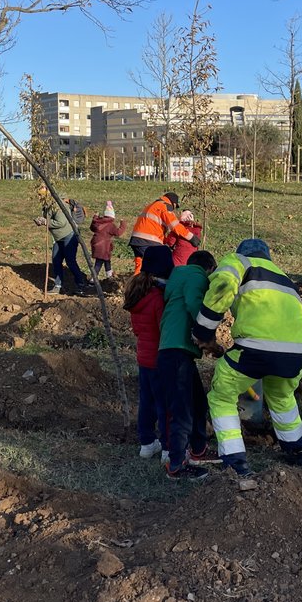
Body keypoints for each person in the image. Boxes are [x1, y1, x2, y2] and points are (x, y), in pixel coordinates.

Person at [193, 239, 302, 476]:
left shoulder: (239, 261)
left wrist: (203, 331)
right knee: (281, 395)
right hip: (298, 350)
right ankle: (301, 451)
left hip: (257, 346)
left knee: (222, 394)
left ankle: (235, 461)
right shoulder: (284, 278)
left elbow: (223, 287)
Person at [158, 250, 220, 481]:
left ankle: (198, 450)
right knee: (182, 408)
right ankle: (176, 465)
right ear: (209, 269)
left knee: (197, 402)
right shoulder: (197, 277)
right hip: (176, 351)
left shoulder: (179, 277)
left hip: (177, 350)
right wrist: (208, 338)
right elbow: (195, 304)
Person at [124, 245, 174, 461]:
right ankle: (168, 448)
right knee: (165, 404)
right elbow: (164, 328)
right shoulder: (158, 297)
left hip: (143, 356)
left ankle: (146, 442)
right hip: (160, 357)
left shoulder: (137, 294)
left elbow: (137, 329)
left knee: (147, 401)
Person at [128, 192, 200, 275]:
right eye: (175, 207)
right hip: (148, 241)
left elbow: (154, 228)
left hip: (137, 240)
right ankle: (150, 286)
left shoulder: (153, 205)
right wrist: (191, 237)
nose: (174, 209)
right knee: (157, 266)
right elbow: (175, 226)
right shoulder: (165, 206)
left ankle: (135, 285)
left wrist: (166, 241)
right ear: (173, 203)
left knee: (140, 267)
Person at [34, 188, 88, 295]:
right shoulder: (48, 206)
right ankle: (57, 286)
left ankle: (80, 284)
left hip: (69, 235)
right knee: (56, 260)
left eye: (40, 196)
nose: (39, 198)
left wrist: (45, 222)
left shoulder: (58, 206)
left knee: (70, 261)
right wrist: (41, 220)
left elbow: (61, 222)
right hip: (58, 238)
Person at [90, 200, 126, 280]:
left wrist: (95, 218)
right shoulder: (110, 225)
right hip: (104, 246)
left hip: (96, 244)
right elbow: (118, 233)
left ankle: (109, 276)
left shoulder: (98, 222)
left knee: (106, 260)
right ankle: (93, 279)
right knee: (99, 263)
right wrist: (123, 224)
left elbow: (92, 228)